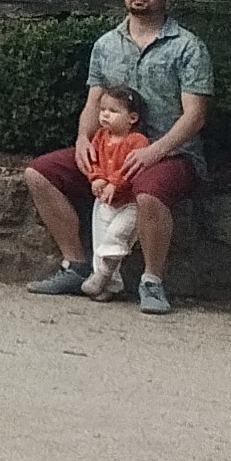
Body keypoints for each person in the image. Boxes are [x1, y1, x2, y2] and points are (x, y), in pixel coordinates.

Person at [24, 0, 215, 315]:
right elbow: (93, 103)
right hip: (111, 151)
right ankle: (76, 266)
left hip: (172, 155)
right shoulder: (106, 45)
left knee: (149, 193)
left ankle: (152, 282)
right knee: (39, 173)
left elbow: (195, 116)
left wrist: (154, 152)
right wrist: (83, 139)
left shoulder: (188, 47)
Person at [67, 85, 157, 300]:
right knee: (101, 240)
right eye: (103, 110)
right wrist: (96, 177)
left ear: (132, 118)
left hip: (128, 202)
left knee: (116, 236)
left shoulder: (137, 141)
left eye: (113, 111)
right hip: (105, 202)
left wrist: (115, 184)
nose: (105, 115)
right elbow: (94, 159)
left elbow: (131, 168)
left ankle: (102, 276)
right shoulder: (100, 136)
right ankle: (110, 285)